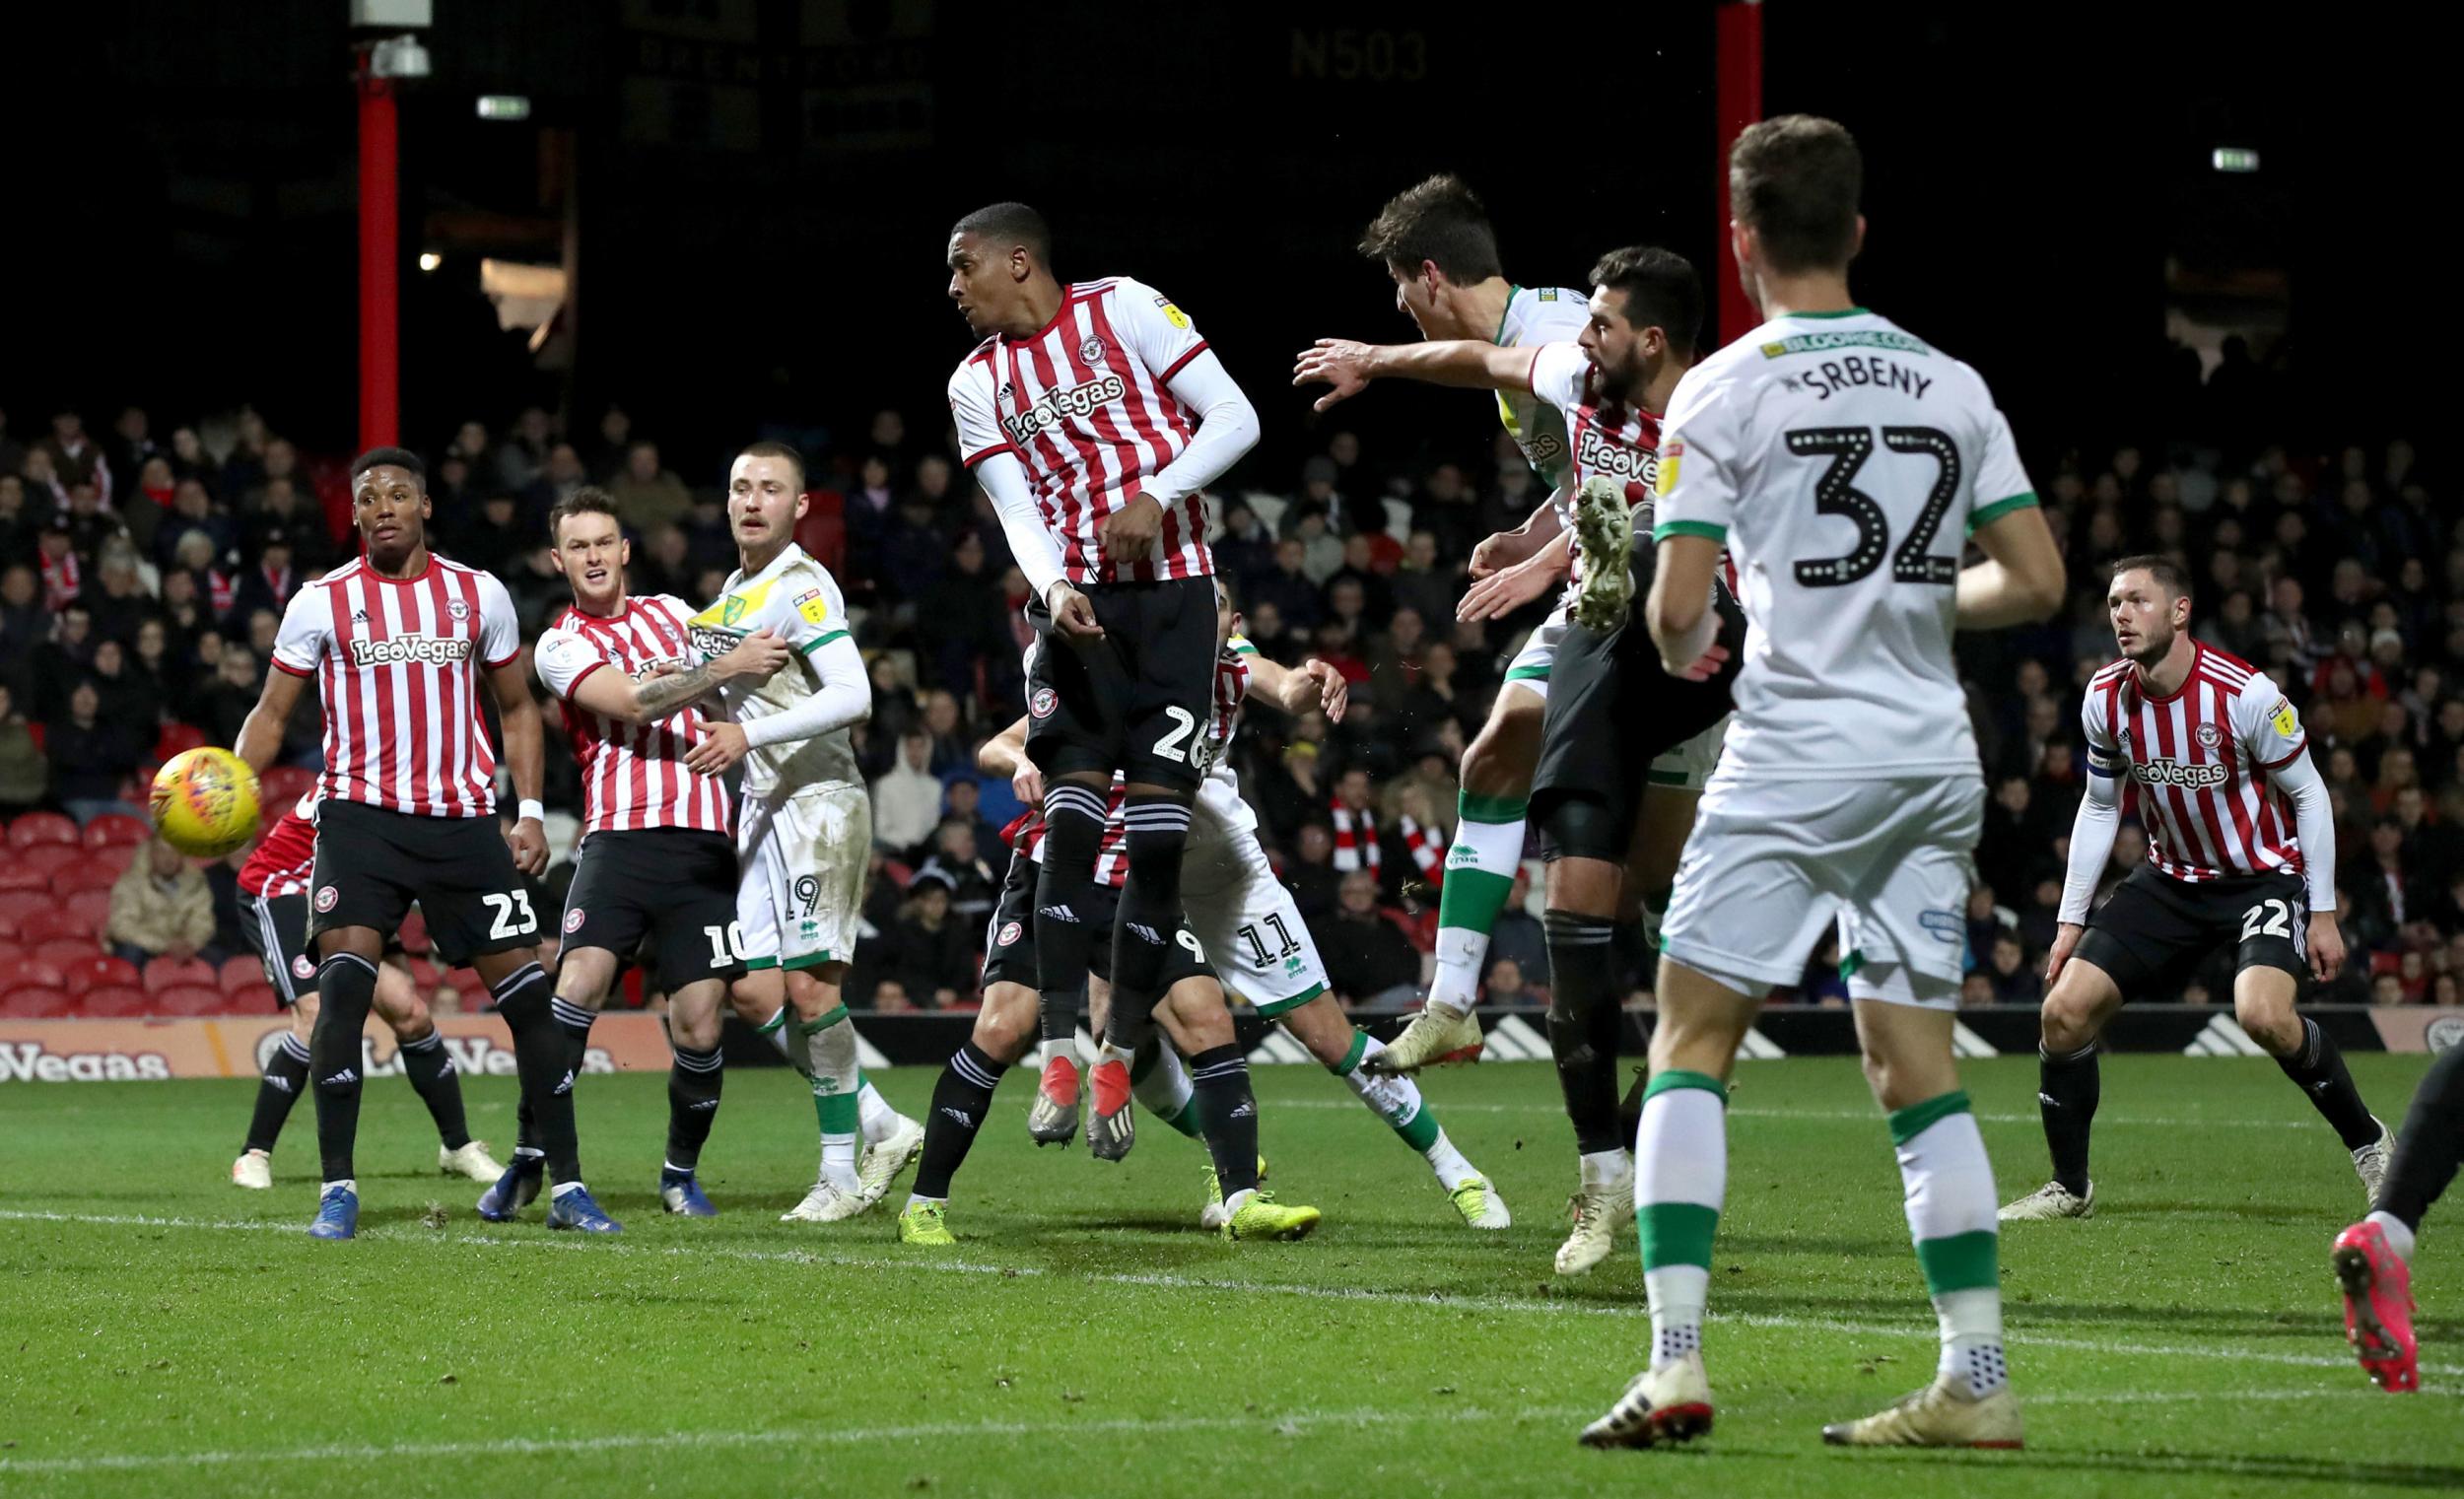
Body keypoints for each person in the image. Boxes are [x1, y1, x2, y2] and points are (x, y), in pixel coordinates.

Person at [1589, 115, 2067, 1450]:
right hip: (1927, 757)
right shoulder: (1953, 383)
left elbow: (1682, 622)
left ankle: (1676, 1360)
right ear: (1859, 232)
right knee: (1915, 1066)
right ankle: (1977, 1376)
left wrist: (1672, 611)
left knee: (1690, 1039)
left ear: (1741, 245)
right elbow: (2035, 581)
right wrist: (1906, 604)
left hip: (1794, 756)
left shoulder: (1722, 389)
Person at [1298, 244, 1737, 1278]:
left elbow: (1687, 538)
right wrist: (1373, 358)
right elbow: (1488, 369)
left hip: (1688, 659)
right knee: (1513, 790)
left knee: (1653, 906)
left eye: (1599, 324)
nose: (1576, 342)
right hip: (1589, 633)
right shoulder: (1575, 371)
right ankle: (1470, 1018)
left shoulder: (1719, 422)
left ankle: (1674, 1081)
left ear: (1654, 340)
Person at [989, 577, 1506, 1226]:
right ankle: (1231, 1165)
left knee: (1325, 1034)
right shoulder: (1117, 657)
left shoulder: (1228, 660)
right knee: (1115, 1014)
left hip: (1221, 865)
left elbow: (1280, 684)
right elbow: (1015, 735)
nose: (1205, 622)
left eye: (1220, 610)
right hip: (1137, 861)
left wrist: (1309, 682)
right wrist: (1025, 761)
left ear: (1229, 621)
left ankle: (1456, 1169)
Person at [942, 201, 1263, 1166]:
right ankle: (1056, 1055)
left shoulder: (1123, 308)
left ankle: (1117, 1054)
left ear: (1019, 261)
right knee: (1069, 829)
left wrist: (1156, 495)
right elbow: (1015, 507)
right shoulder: (975, 380)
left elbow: (1236, 415)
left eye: (964, 268)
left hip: (1174, 602)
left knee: (1155, 846)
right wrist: (1052, 585)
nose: (953, 288)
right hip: (1080, 616)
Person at [532, 485, 920, 1217]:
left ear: (625, 549)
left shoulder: (681, 615)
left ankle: (686, 1173)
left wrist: (771, 667)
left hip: (710, 836)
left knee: (728, 1004)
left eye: (603, 541)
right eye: (576, 545)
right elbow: (640, 700)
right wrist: (720, 667)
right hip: (617, 834)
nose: (592, 556)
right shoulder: (559, 643)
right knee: (578, 986)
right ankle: (544, 1165)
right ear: (559, 559)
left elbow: (753, 671)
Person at [234, 445, 588, 1242]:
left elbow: (518, 708)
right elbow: (272, 713)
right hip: (361, 823)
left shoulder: (477, 593)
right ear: (355, 514)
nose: (383, 506)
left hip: (464, 825)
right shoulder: (320, 601)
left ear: (425, 506)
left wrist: (529, 809)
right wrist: (229, 782)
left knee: (531, 1000)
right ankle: (338, 1188)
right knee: (344, 995)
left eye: (398, 493)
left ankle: (568, 1185)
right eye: (368, 498)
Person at [2001, 558, 2385, 1221]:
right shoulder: (2106, 697)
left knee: (2262, 1014)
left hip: (2262, 875)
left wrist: (2322, 912)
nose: (2120, 613)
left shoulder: (2245, 694)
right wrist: (2070, 923)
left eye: (2137, 600)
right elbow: (2099, 808)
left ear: (2179, 611)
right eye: (2114, 601)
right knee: (2062, 1014)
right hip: (2171, 880)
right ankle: (2070, 1185)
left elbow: (2309, 792)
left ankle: (2371, 1142)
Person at [898, 747, 1321, 1246]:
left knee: (1207, 1019)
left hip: (1140, 881)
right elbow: (995, 747)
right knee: (1000, 1030)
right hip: (1049, 871)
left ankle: (1242, 1201)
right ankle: (923, 1207)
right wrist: (1022, 761)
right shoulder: (1078, 682)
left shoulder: (1177, 695)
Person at [684, 443, 912, 1224]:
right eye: (741, 486)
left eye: (770, 489)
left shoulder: (802, 586)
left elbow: (854, 695)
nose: (752, 500)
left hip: (817, 803)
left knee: (814, 990)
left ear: (799, 506)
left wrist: (750, 737)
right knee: (751, 989)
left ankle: (839, 1174)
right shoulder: (734, 593)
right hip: (763, 808)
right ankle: (881, 1120)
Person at [229, 794, 504, 1191]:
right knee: (315, 1012)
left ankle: (458, 1147)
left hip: (353, 883)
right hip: (285, 886)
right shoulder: (363, 777)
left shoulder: (421, 786)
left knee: (410, 1012)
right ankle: (253, 1153)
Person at [106, 835, 218, 968]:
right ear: (151, 854)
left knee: (217, 958)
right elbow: (122, 927)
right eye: (161, 851)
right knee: (131, 952)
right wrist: (164, 945)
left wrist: (191, 943)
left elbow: (202, 921)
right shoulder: (131, 883)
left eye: (174, 851)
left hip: (182, 945)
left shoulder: (195, 884)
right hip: (145, 945)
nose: (168, 858)